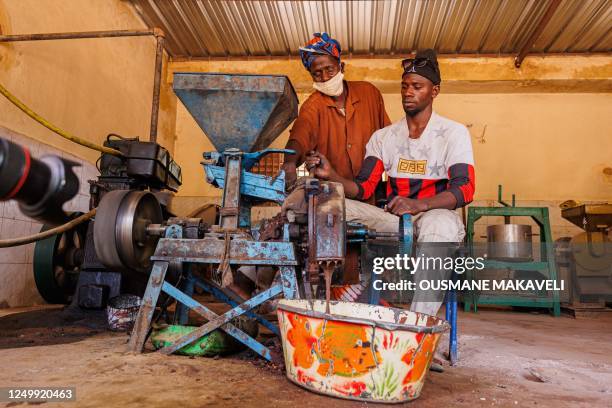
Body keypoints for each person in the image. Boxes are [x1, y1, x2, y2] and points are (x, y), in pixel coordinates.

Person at [306, 49, 476, 316]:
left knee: (438, 226)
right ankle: (309, 301)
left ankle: (419, 323)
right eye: (405, 86)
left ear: (435, 91)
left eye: (417, 87)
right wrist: (333, 177)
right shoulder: (384, 137)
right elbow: (363, 189)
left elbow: (465, 188)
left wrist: (418, 205)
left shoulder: (453, 133)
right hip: (396, 221)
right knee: (326, 202)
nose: (408, 93)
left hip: (435, 215)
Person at [281, 32, 390, 190]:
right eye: (317, 74)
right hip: (329, 196)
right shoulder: (312, 106)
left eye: (329, 69)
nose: (325, 77)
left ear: (341, 67)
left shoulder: (369, 94)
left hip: (370, 194)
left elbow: (388, 140)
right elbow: (299, 137)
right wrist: (289, 163)